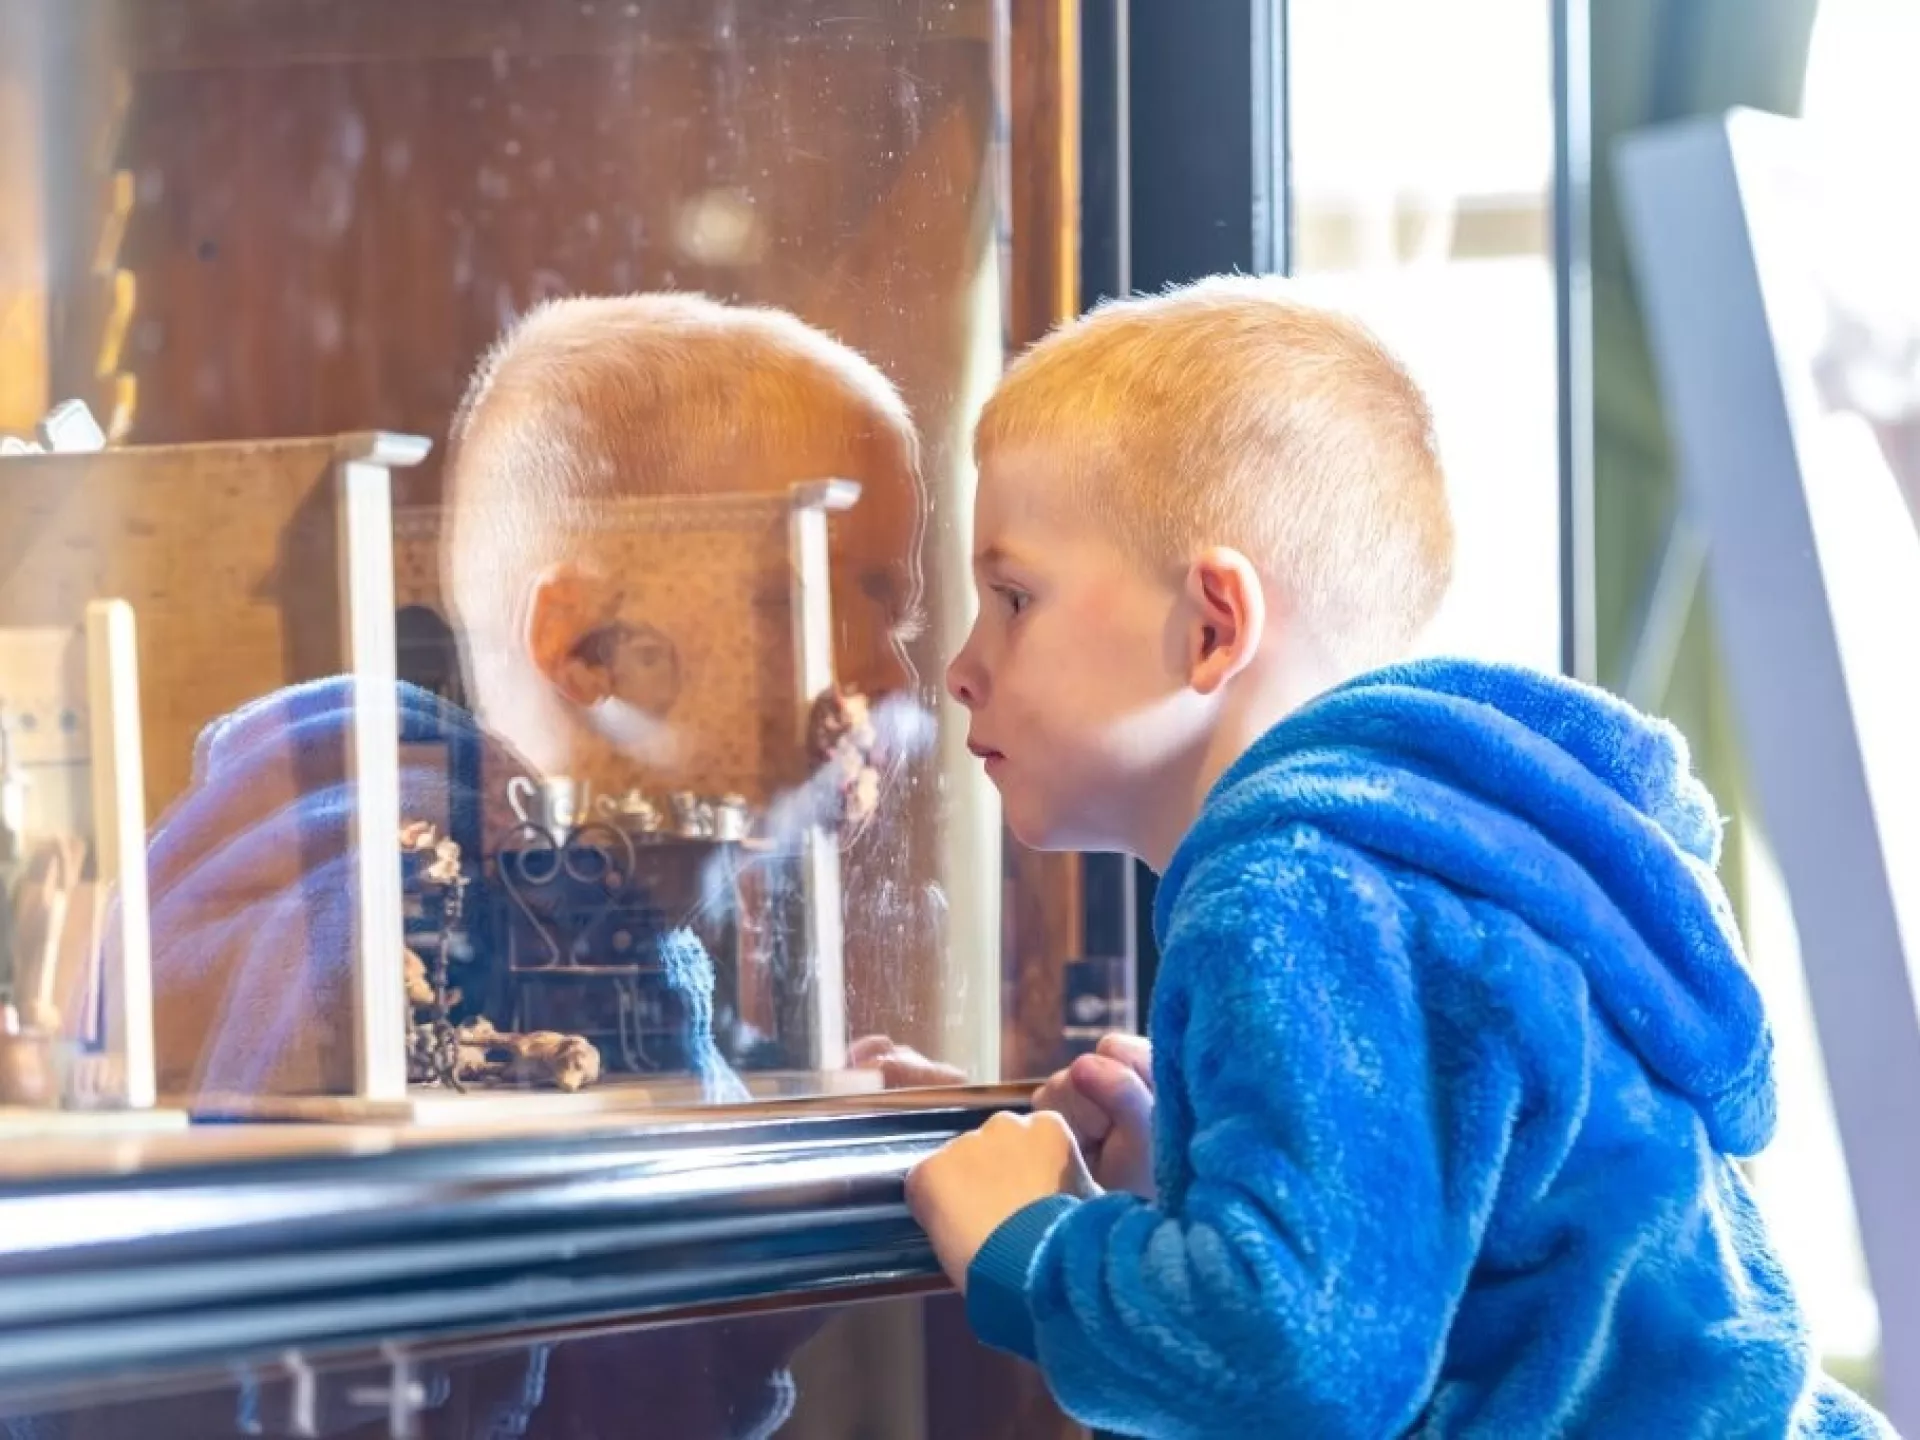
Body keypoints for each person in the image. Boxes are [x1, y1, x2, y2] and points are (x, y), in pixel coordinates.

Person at [905, 275, 1893, 1438]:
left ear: (1214, 626)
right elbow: (1466, 1243)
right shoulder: (1438, 856)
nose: (962, 667)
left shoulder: (1290, 888)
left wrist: (1034, 1248)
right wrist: (1199, 1187)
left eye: (1013, 597)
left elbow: (1303, 1362)